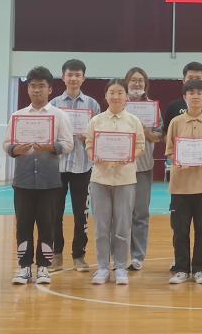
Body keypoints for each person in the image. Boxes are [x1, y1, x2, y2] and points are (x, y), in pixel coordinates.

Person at [4, 66, 73, 286]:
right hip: (23, 181)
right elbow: (7, 144)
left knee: (47, 224)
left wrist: (51, 147)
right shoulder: (17, 116)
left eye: (41, 86)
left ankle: (44, 267)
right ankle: (24, 267)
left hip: (49, 182)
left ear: (50, 89)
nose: (36, 90)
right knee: (23, 225)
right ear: (28, 89)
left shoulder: (59, 116)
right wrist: (15, 149)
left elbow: (68, 144)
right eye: (33, 86)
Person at [84, 79, 147, 286]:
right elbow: (89, 145)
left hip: (125, 179)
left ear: (126, 96)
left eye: (120, 92)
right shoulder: (96, 121)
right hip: (100, 179)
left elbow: (140, 145)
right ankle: (103, 267)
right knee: (101, 226)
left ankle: (120, 267)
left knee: (122, 225)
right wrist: (95, 156)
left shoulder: (133, 121)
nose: (116, 96)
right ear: (106, 95)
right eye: (112, 92)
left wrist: (128, 157)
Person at [165, 79, 202, 285]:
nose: (195, 96)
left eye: (199, 93)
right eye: (191, 93)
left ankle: (199, 268)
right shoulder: (175, 122)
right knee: (180, 230)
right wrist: (179, 158)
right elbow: (169, 152)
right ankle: (181, 269)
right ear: (185, 97)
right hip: (180, 186)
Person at [49, 58, 101, 272]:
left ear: (83, 78)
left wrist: (88, 137)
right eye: (69, 74)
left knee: (82, 214)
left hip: (83, 167)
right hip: (57, 167)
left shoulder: (92, 105)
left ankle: (79, 255)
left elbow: (98, 135)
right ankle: (56, 255)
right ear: (63, 77)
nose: (73, 78)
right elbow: (48, 134)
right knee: (54, 214)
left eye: (77, 75)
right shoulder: (53, 104)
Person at [125, 67, 163, 271]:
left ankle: (137, 257)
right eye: (133, 80)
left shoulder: (152, 108)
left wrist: (144, 130)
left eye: (141, 80)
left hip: (143, 167)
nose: (137, 83)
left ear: (146, 84)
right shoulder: (118, 104)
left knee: (140, 214)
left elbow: (158, 137)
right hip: (119, 168)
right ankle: (119, 256)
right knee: (119, 215)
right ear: (126, 83)